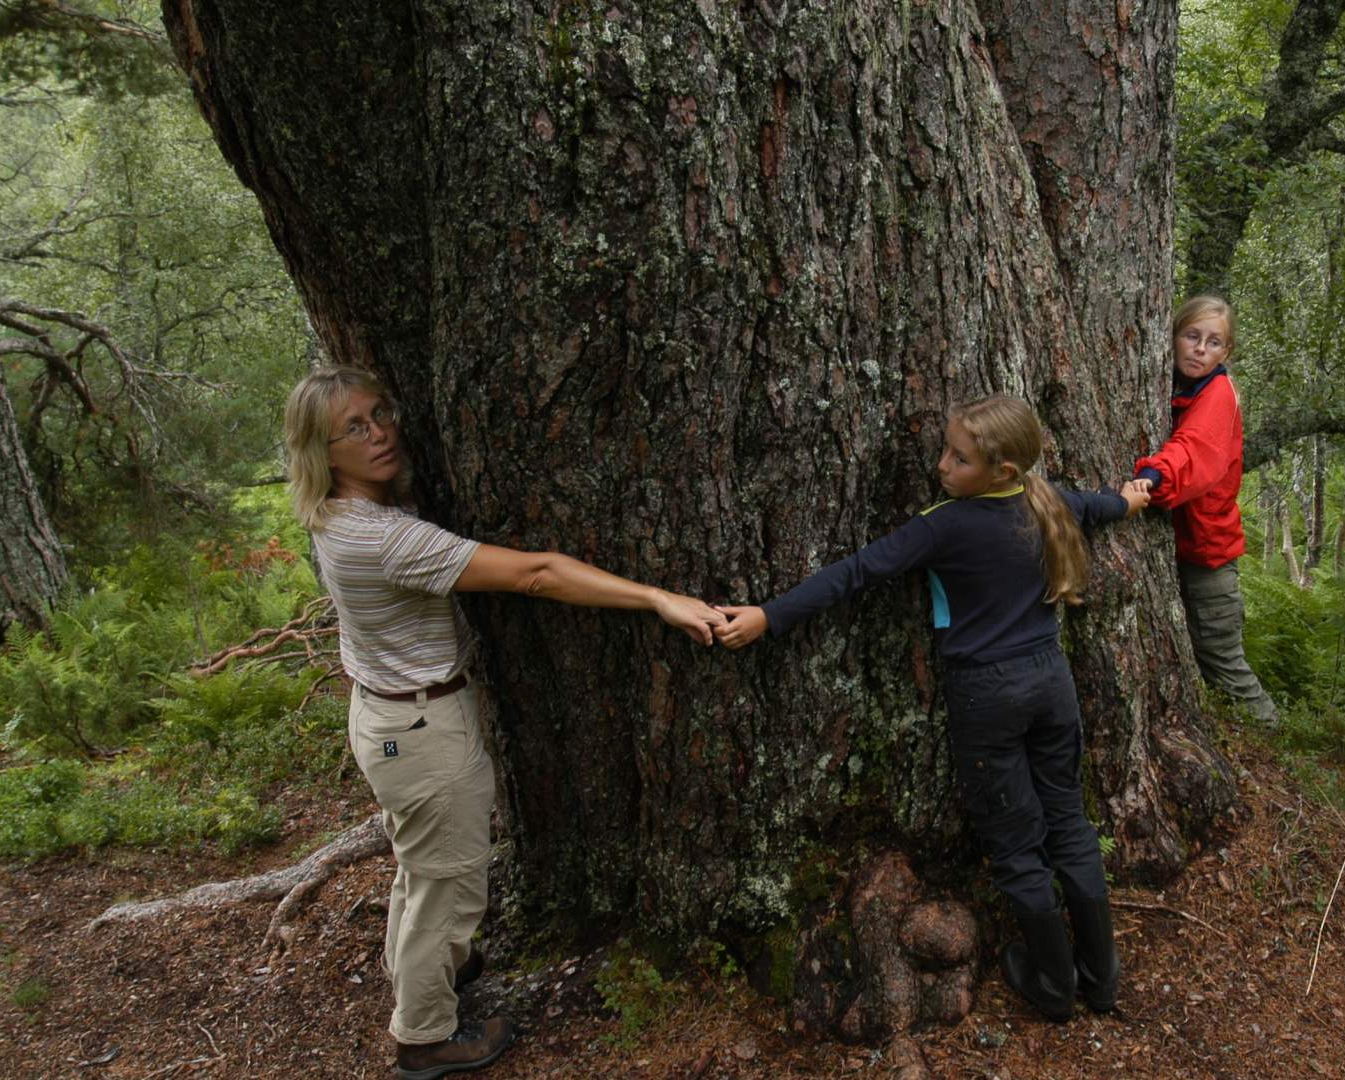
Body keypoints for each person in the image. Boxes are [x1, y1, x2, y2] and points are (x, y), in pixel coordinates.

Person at [283, 366, 725, 1079]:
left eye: (379, 413)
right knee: (450, 882)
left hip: (388, 721)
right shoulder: (377, 538)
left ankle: (426, 977)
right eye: (354, 429)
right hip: (421, 730)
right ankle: (424, 1036)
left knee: (420, 868)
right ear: (322, 453)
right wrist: (657, 597)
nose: (381, 432)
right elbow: (536, 574)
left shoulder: (334, 516)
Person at [714, 395, 1148, 1021]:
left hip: (988, 695)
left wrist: (768, 615)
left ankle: (1054, 987)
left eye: (959, 457)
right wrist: (1133, 498)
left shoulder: (945, 524)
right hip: (1051, 683)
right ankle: (1101, 981)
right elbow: (1101, 506)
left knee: (1018, 843)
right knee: (1069, 826)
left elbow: (855, 572)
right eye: (944, 448)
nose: (942, 464)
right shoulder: (1046, 499)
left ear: (1002, 471)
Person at [1133, 295, 1280, 726]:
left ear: (1226, 352)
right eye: (1191, 336)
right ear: (1173, 337)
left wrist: (1155, 477)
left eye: (1213, 342)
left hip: (1209, 557)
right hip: (1188, 548)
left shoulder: (1217, 394)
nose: (1200, 349)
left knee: (1223, 665)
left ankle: (1272, 741)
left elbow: (1194, 452)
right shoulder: (1183, 389)